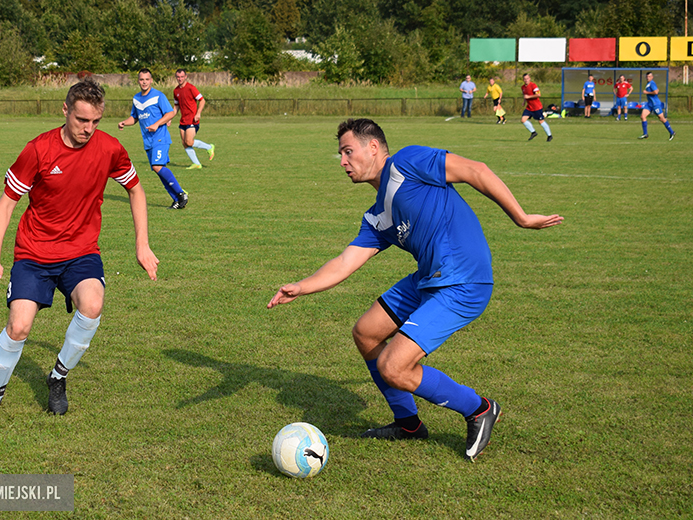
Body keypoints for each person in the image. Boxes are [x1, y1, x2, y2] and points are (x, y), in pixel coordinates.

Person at [267, 118, 563, 461]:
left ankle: (479, 409)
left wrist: (522, 217)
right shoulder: (378, 215)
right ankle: (408, 424)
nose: (343, 162)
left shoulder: (408, 162)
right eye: (341, 155)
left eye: (348, 152)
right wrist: (301, 287)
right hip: (429, 278)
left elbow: (475, 170)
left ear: (373, 148)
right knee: (366, 333)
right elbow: (346, 261)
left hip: (464, 281)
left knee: (395, 367)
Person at [0, 78, 160, 416]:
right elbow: (7, 202)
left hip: (81, 252)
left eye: (95, 121)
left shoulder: (109, 148)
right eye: (82, 120)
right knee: (19, 326)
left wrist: (142, 244)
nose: (88, 129)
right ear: (65, 110)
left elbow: (136, 190)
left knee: (93, 304)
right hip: (34, 253)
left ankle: (58, 376)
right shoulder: (39, 149)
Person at [118, 68, 188, 210]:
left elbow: (170, 113)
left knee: (157, 167)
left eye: (147, 79)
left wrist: (157, 124)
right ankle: (177, 200)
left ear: (151, 80)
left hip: (160, 138)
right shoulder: (136, 99)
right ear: (138, 81)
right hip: (148, 141)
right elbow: (135, 117)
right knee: (158, 170)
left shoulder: (158, 96)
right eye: (141, 79)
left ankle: (181, 194)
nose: (144, 82)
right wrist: (125, 122)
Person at [172, 68, 215, 169]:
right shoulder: (176, 91)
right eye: (178, 77)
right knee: (184, 143)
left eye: (182, 77)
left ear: (185, 77)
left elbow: (202, 100)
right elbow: (176, 106)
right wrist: (169, 118)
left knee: (189, 142)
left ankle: (209, 147)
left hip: (192, 119)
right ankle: (196, 164)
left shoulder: (191, 88)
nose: (180, 79)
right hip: (183, 120)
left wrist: (198, 113)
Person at [638, 72, 675, 141]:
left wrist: (647, 92)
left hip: (655, 104)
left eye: (649, 76)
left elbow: (656, 92)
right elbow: (657, 90)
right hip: (649, 104)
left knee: (661, 118)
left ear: (652, 77)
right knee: (643, 116)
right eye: (647, 76)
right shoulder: (649, 84)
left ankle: (671, 132)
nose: (648, 78)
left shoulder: (652, 83)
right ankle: (645, 134)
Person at [520, 73, 553, 142]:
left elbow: (538, 94)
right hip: (529, 107)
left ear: (530, 79)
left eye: (527, 78)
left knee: (541, 121)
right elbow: (525, 95)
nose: (526, 80)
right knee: (523, 120)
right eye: (524, 79)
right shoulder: (523, 87)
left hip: (537, 107)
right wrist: (524, 101)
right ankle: (533, 132)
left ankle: (549, 135)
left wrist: (528, 97)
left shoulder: (533, 85)